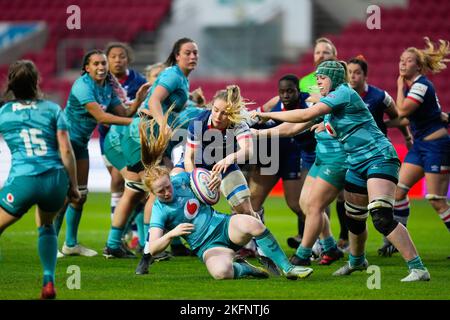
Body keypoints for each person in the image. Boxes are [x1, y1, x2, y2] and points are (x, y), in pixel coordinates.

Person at [255, 60, 430, 281]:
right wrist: (259, 134)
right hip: (355, 163)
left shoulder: (343, 93)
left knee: (381, 217)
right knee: (354, 219)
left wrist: (269, 114)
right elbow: (293, 128)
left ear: (334, 78)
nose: (318, 82)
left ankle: (418, 268)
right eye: (317, 79)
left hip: (378, 157)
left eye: (322, 78)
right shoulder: (330, 104)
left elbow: (302, 116)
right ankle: (356, 262)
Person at [133, 111, 314, 280]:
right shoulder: (160, 210)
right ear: (152, 193)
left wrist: (214, 183)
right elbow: (154, 246)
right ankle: (244, 268)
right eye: (161, 191)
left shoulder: (181, 180)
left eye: (167, 186)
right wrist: (172, 233)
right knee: (221, 273)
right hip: (207, 246)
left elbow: (200, 180)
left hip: (224, 226)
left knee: (252, 220)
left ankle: (287, 268)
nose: (167, 192)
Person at [103, 38, 201, 258]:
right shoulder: (172, 74)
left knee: (135, 190)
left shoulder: (182, 79)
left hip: (151, 137)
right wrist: (164, 124)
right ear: (176, 55)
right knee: (159, 190)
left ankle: (113, 245)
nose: (193, 56)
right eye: (187, 53)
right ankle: (151, 247)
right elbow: (155, 101)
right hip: (144, 136)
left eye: (195, 53)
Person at [54, 49, 149, 257]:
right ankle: (50, 244)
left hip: (80, 145)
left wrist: (139, 101)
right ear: (86, 68)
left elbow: (123, 113)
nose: (101, 67)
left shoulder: (107, 86)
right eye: (96, 64)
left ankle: (70, 244)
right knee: (64, 196)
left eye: (103, 64)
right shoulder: (82, 86)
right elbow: (102, 118)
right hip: (63, 143)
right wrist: (137, 122)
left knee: (80, 195)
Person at [0, 60, 80, 299]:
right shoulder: (53, 109)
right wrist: (73, 187)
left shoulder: (3, 112)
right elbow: (66, 150)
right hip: (54, 181)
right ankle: (48, 280)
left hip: (23, 180)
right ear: (37, 82)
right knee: (46, 226)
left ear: (11, 84)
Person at [387, 37, 450, 257]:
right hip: (421, 146)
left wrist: (397, 86)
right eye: (401, 60)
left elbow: (402, 112)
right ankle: (397, 240)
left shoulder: (421, 86)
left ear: (419, 66)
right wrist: (382, 124)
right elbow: (406, 120)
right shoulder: (416, 87)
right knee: (398, 192)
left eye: (408, 60)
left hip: (436, 146)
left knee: (436, 200)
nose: (403, 64)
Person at [247, 74, 316, 250]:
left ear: (298, 91)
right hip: (270, 154)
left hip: (295, 156)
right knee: (253, 200)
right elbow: (255, 118)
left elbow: (295, 128)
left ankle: (314, 241)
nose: (285, 96)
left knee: (297, 203)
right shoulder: (274, 103)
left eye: (290, 91)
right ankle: (254, 244)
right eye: (282, 92)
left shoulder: (310, 103)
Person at [297, 37, 348, 251]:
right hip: (314, 146)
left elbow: (312, 109)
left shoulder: (342, 84)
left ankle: (343, 241)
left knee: (341, 199)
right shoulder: (304, 82)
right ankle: (325, 242)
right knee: (307, 202)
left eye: (325, 52)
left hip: (339, 148)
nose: (320, 56)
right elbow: (303, 109)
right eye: (317, 52)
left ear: (334, 56)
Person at [104, 42, 148, 252]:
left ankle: (131, 235)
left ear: (128, 59)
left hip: (133, 139)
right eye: (113, 56)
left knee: (134, 187)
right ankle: (123, 235)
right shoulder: (103, 82)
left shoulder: (139, 80)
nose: (117, 60)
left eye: (121, 56)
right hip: (113, 138)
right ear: (107, 59)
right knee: (121, 181)